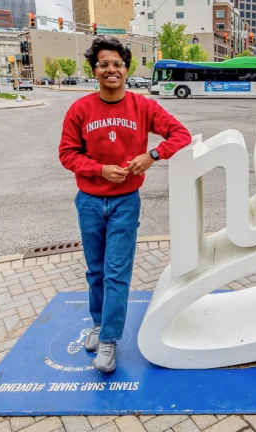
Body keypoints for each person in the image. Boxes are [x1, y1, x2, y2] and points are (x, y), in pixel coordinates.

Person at [59, 36, 192, 373]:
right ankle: (99, 323)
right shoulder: (80, 109)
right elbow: (67, 154)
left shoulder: (143, 106)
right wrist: (98, 169)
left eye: (117, 64)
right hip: (89, 201)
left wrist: (152, 155)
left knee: (117, 272)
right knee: (96, 270)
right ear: (95, 70)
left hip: (125, 203)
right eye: (104, 64)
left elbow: (180, 135)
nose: (111, 70)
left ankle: (109, 340)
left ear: (126, 69)